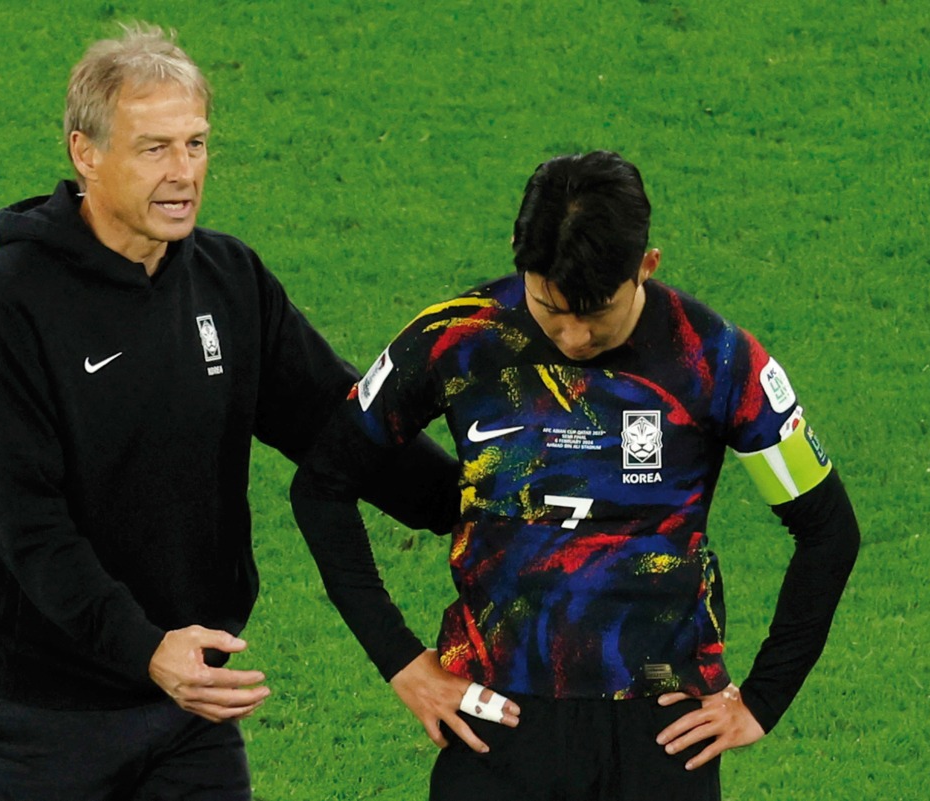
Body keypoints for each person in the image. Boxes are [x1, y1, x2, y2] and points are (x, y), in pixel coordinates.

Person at [0, 23, 458, 801]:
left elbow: (336, 423)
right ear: (86, 154)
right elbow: (27, 523)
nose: (184, 172)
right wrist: (145, 647)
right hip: (41, 715)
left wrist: (481, 504)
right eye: (155, 148)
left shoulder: (228, 281)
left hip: (190, 705)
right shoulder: (11, 303)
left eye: (196, 143)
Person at [290, 150, 860, 800]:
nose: (573, 335)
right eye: (550, 307)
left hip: (660, 737)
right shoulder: (458, 337)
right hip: (496, 730)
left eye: (596, 311)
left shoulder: (716, 358)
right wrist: (400, 661)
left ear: (646, 265)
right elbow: (323, 484)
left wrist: (761, 699)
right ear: (519, 257)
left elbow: (827, 530)